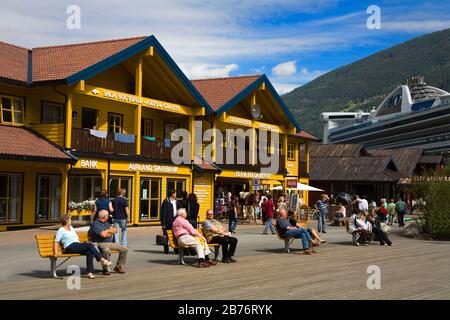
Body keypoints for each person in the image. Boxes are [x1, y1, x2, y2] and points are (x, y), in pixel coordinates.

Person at [54, 213, 111, 279]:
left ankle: (90, 273)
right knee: (89, 245)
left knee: (89, 251)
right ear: (66, 220)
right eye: (70, 219)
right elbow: (56, 241)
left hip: (76, 245)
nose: (71, 221)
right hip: (69, 247)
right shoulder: (61, 230)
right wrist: (56, 252)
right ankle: (102, 260)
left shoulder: (71, 228)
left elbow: (76, 239)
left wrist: (81, 245)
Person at [88, 210, 128, 275]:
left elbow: (115, 230)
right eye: (107, 215)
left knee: (124, 248)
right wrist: (109, 231)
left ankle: (118, 266)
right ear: (104, 216)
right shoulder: (95, 224)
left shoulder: (107, 223)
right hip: (100, 243)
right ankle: (105, 268)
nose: (108, 217)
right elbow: (103, 235)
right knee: (106, 251)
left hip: (110, 243)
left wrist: (107, 231)